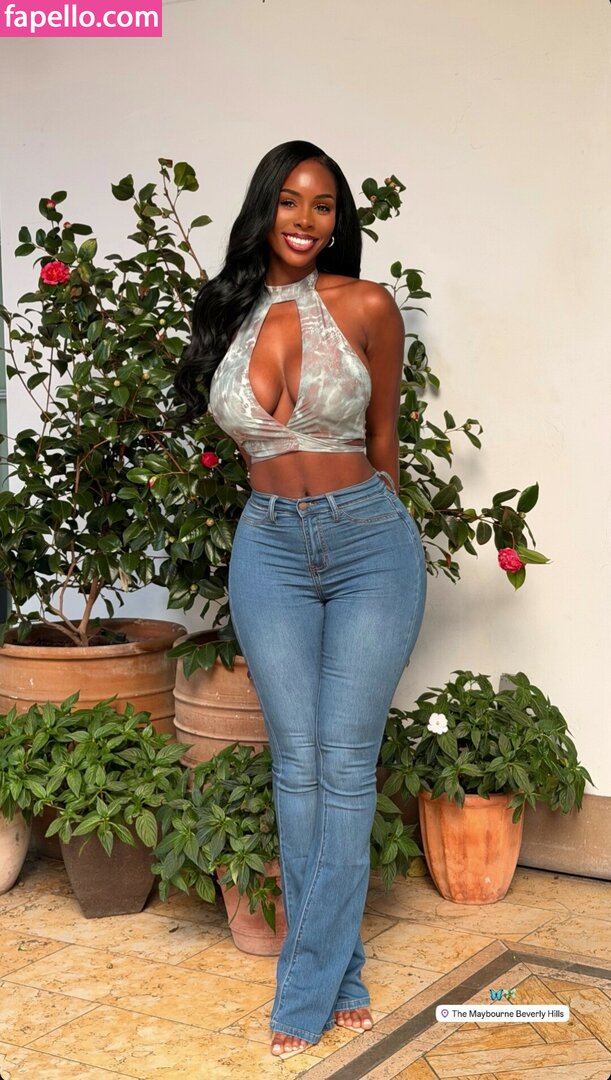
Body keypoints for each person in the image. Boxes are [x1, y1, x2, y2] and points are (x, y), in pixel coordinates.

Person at [174, 139, 427, 1060]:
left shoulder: (367, 306)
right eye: (289, 201)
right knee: (297, 765)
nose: (305, 220)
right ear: (264, 208)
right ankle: (342, 972)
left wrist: (376, 530)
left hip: (367, 543)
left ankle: (303, 989)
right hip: (269, 547)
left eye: (323, 206)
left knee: (345, 767)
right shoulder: (227, 310)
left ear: (337, 221)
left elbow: (384, 439)